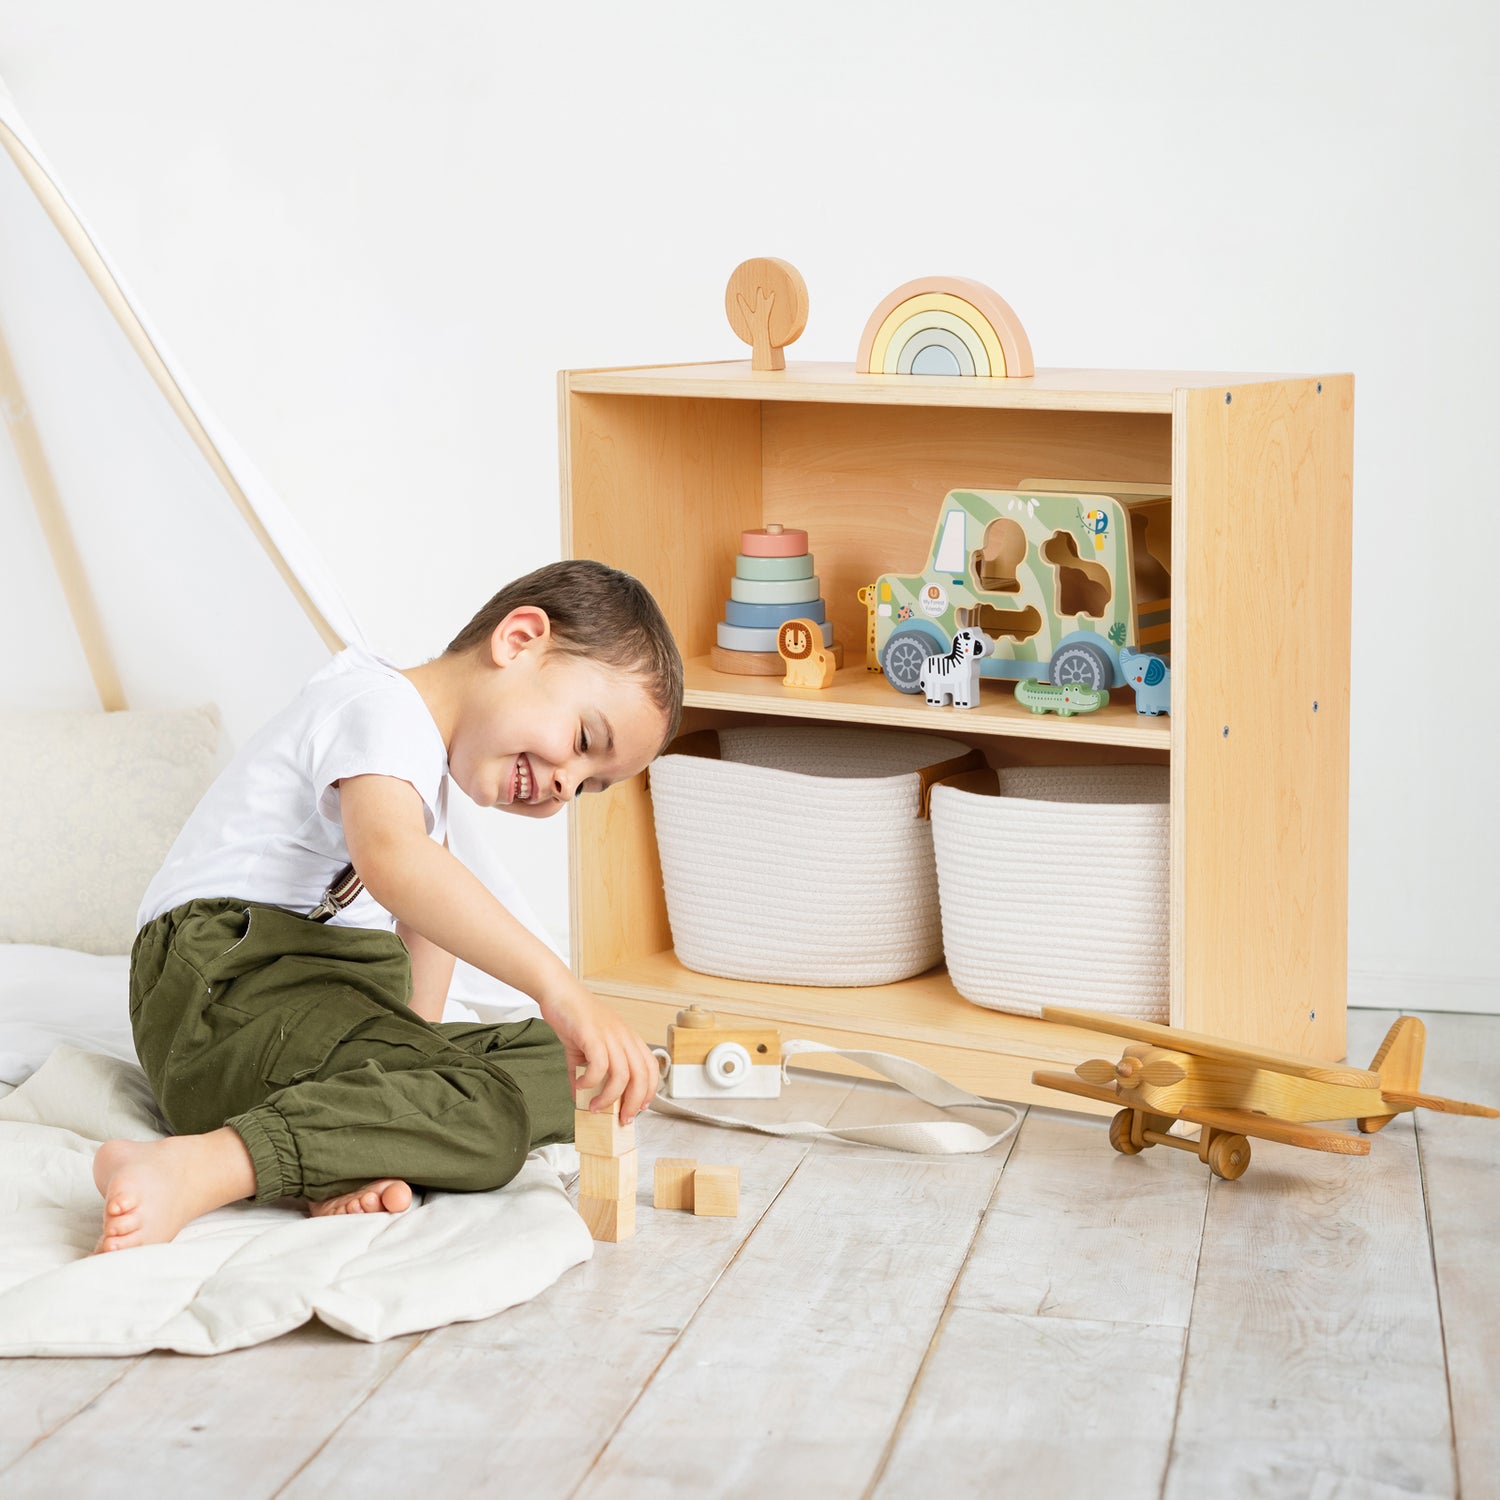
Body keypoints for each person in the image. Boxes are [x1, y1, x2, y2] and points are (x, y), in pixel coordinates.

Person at [92, 559, 682, 1254]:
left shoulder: (421, 777)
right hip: (222, 992)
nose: (566, 786)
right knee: (492, 1118)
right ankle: (204, 1166)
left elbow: (426, 927)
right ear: (519, 639)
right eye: (584, 743)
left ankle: (343, 1146)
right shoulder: (379, 707)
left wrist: (414, 1062)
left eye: (588, 787)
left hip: (308, 1011)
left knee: (563, 1069)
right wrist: (560, 987)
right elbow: (395, 863)